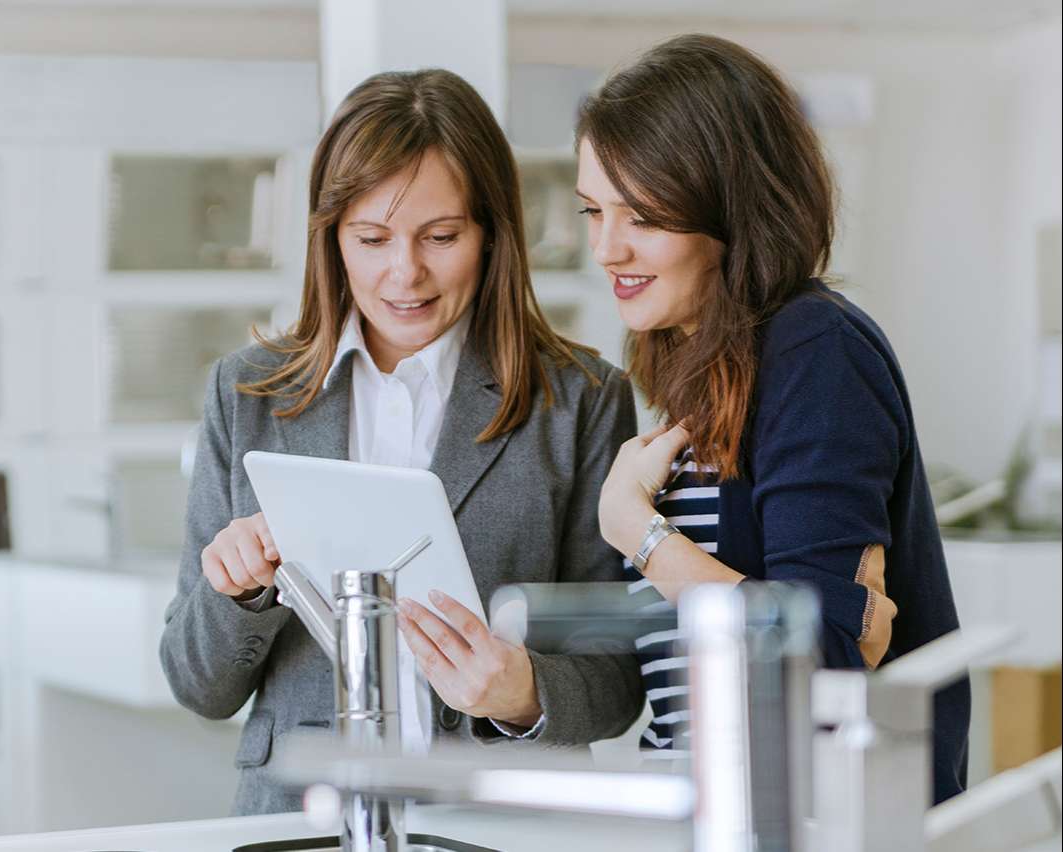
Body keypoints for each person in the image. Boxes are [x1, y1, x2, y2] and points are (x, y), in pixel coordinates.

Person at [159, 68, 644, 816]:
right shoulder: (247, 393)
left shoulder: (579, 402)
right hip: (301, 815)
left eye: (440, 236)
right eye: (371, 238)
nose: (404, 272)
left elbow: (614, 681)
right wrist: (237, 593)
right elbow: (197, 686)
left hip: (496, 822)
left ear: (490, 234)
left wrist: (521, 694)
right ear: (332, 238)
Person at [580, 34, 969, 803]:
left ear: (730, 210)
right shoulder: (693, 367)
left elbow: (822, 650)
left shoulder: (811, 347)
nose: (605, 247)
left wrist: (638, 531)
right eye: (593, 211)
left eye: (643, 217)